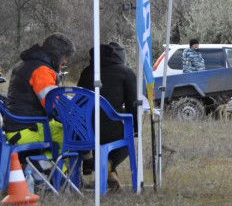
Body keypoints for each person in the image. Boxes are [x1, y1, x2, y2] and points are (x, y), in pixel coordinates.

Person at [2, 33, 75, 160]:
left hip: (18, 126)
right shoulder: (42, 70)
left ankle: (44, 171)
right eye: (65, 58)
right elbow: (53, 105)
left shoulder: (25, 63)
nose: (65, 62)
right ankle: (56, 175)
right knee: (72, 137)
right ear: (58, 55)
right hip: (26, 130)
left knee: (64, 132)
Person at [77, 42, 138, 191]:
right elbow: (133, 105)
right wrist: (136, 128)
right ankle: (109, 166)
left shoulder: (86, 72)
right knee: (126, 142)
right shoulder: (126, 73)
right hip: (109, 132)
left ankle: (105, 169)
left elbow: (79, 101)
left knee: (99, 137)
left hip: (82, 131)